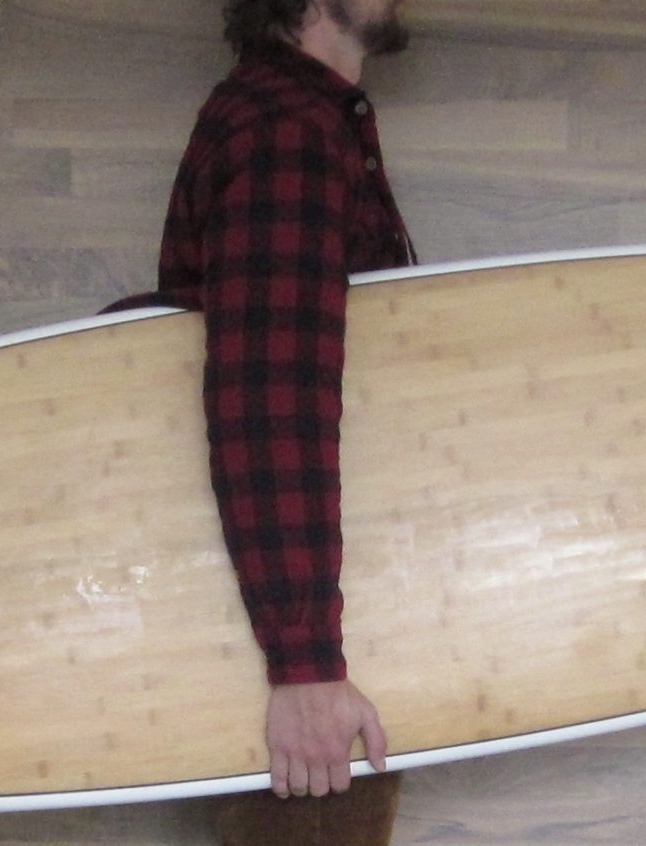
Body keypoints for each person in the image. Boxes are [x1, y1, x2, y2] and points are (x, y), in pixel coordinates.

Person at [100, 0, 418, 810]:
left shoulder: (306, 118)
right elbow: (272, 387)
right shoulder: (287, 128)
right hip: (290, 629)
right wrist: (306, 667)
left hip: (289, 601)